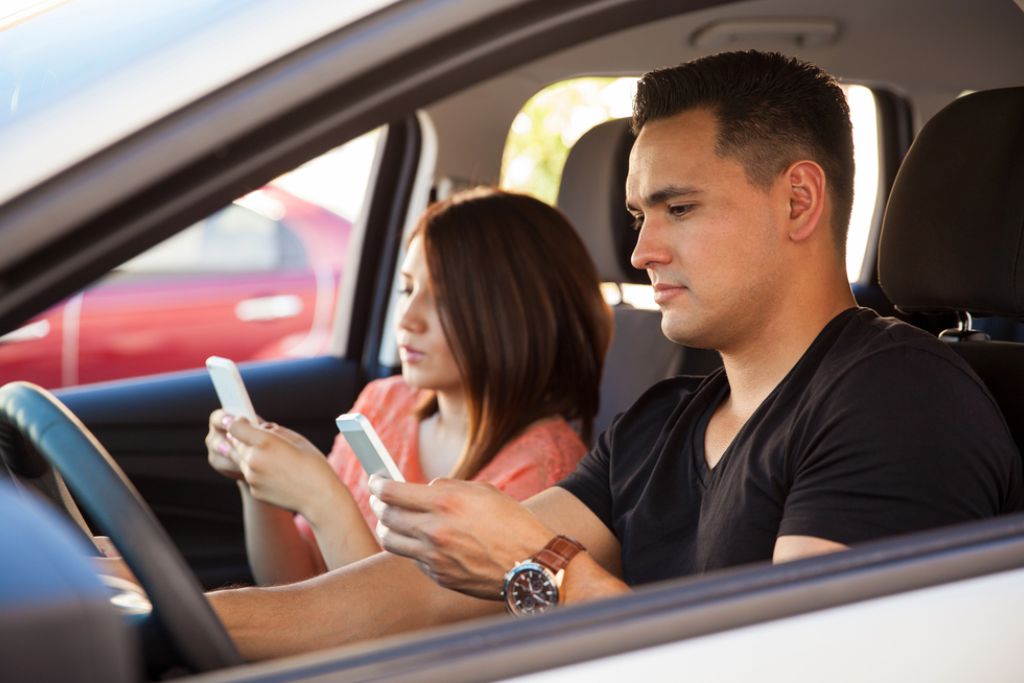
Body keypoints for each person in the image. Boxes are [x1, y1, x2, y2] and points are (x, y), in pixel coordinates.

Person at [207, 50, 1022, 659]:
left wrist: (536, 567)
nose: (640, 251)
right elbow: (412, 599)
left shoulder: (899, 397)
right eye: (638, 214)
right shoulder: (662, 421)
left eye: (677, 206)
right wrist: (189, 616)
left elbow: (792, 666)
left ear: (798, 201)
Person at [205, 187, 612, 585]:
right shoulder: (384, 403)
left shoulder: (543, 471)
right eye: (407, 289)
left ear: (516, 315)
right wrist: (255, 479)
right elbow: (296, 583)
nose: (406, 319)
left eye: (443, 297)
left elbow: (402, 633)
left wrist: (322, 500)